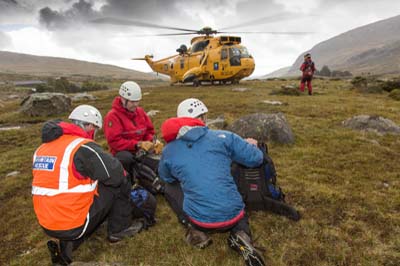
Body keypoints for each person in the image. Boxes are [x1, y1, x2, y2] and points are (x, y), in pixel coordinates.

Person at [158, 98, 266, 266]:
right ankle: (241, 235)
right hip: (233, 216)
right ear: (204, 119)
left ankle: (196, 232)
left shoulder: (169, 150)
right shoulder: (224, 137)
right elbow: (257, 159)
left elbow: (166, 177)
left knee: (170, 186)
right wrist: (250, 145)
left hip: (200, 220)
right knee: (236, 210)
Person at [32, 105, 143, 265]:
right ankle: (119, 229)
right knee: (120, 181)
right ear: (90, 126)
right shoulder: (82, 146)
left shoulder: (41, 149)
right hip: (73, 223)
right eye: (95, 129)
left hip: (47, 222)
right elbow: (116, 174)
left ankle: (66, 243)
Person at [104, 81, 163, 186]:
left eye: (137, 101)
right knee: (126, 158)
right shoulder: (113, 116)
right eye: (132, 102)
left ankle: (147, 178)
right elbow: (114, 142)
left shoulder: (140, 112)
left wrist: (153, 141)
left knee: (159, 163)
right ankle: (128, 183)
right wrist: (138, 144)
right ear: (123, 99)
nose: (135, 104)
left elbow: (149, 131)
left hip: (141, 151)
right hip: (124, 153)